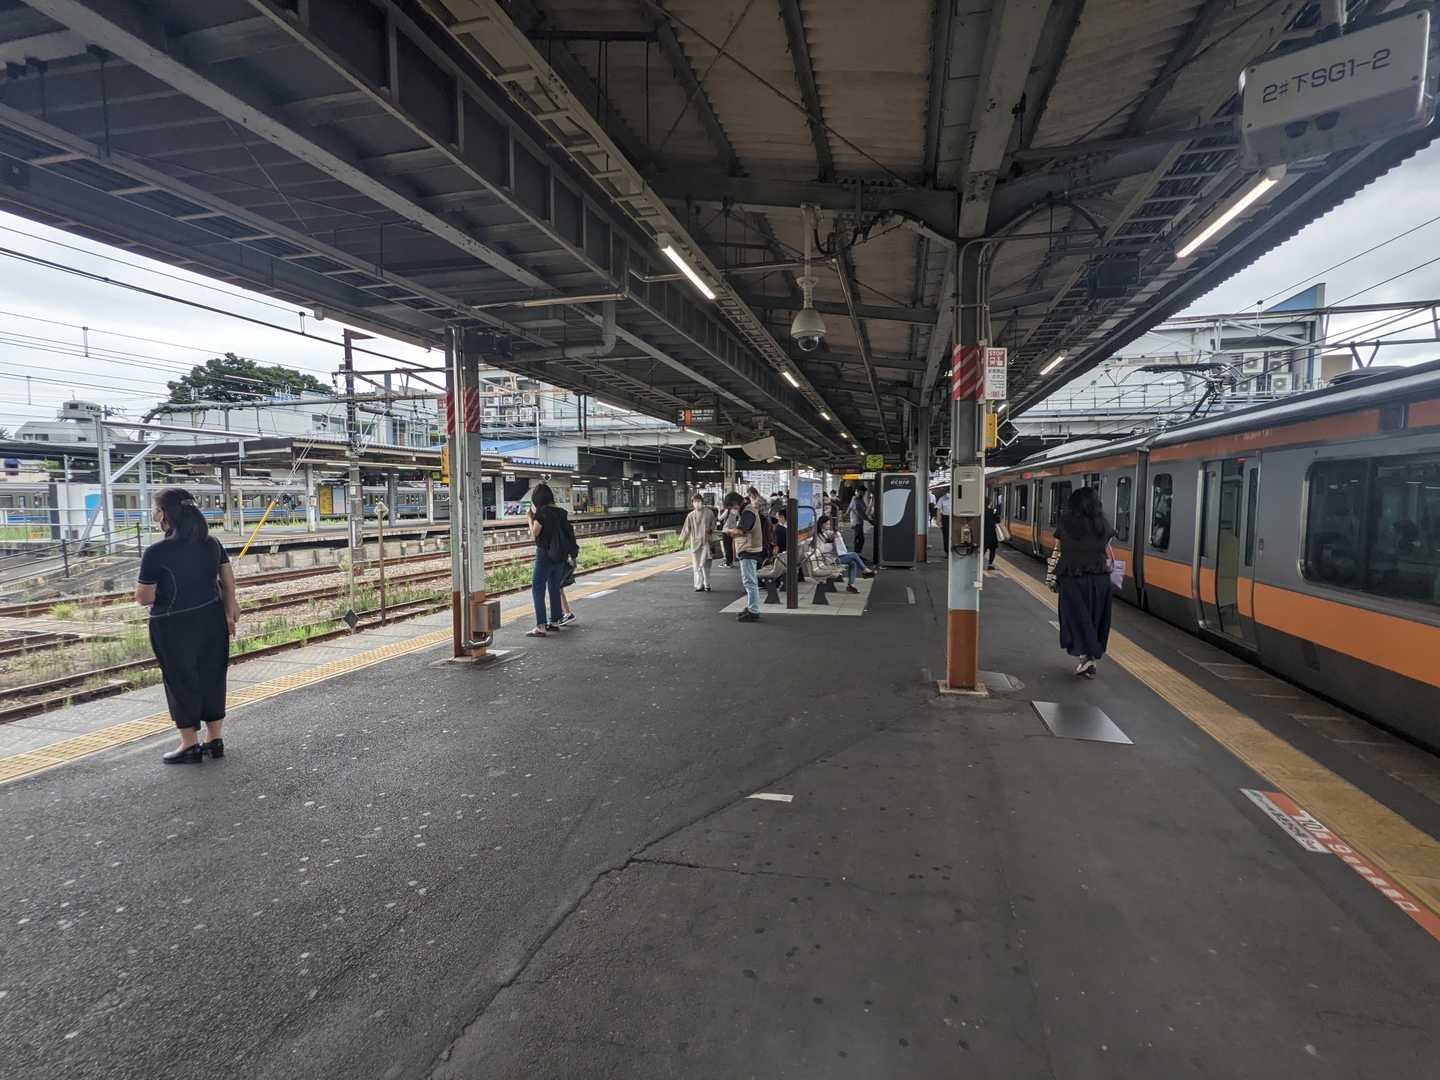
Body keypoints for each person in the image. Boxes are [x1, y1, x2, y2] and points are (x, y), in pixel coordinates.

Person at [135, 487, 240, 764]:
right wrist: (229, 614)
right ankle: (214, 739)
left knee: (181, 680)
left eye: (154, 509)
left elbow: (144, 597)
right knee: (213, 676)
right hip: (212, 619)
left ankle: (189, 744)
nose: (152, 514)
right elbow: (228, 583)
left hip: (173, 625)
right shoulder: (211, 543)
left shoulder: (156, 552)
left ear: (163, 515)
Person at [1052, 486, 1117, 678]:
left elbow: (1058, 547)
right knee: (1095, 618)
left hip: (1073, 578)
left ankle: (1088, 657)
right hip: (1100, 579)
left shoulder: (1066, 522)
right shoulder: (1102, 523)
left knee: (1076, 619)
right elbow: (1106, 546)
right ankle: (1089, 658)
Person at [526, 482, 576, 638]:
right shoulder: (561, 512)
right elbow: (569, 534)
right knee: (554, 586)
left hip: (545, 554)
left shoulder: (542, 513)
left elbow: (535, 532)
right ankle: (554, 621)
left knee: (537, 587)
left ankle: (540, 626)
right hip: (560, 554)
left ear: (537, 499)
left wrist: (529, 518)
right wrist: (572, 555)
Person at [724, 491, 765, 622]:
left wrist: (728, 531)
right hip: (749, 548)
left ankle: (753, 611)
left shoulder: (747, 512)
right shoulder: (747, 510)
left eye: (730, 507)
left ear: (735, 503)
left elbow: (741, 531)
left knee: (750, 582)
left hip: (749, 550)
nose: (731, 510)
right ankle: (752, 607)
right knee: (750, 581)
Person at [816, 514, 873, 593]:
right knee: (854, 555)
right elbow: (822, 549)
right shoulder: (818, 536)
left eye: (829, 524)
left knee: (853, 562)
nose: (828, 526)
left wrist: (834, 536)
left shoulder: (825, 533)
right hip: (829, 560)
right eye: (826, 524)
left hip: (833, 557)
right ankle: (865, 570)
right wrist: (831, 543)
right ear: (821, 524)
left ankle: (851, 585)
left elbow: (832, 534)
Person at [679, 493, 716, 592]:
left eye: (699, 501)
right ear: (692, 503)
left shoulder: (709, 513)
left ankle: (707, 583)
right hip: (695, 543)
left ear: (702, 502)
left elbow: (714, 525)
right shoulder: (691, 515)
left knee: (706, 564)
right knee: (696, 565)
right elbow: (686, 529)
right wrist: (683, 541)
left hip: (706, 542)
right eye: (695, 502)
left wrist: (711, 530)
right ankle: (699, 585)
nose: (697, 503)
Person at [848, 483, 871, 556]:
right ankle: (856, 555)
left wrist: (846, 513)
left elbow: (850, 508)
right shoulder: (856, 500)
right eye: (862, 492)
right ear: (857, 491)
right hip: (856, 522)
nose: (863, 494)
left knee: (859, 538)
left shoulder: (859, 499)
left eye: (864, 492)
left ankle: (857, 554)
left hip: (859, 522)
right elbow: (859, 513)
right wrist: (869, 520)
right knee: (859, 539)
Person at [983, 497, 1000, 570]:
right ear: (989, 503)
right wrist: (995, 513)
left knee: (983, 550)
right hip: (992, 534)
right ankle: (990, 564)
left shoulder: (981, 511)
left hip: (983, 534)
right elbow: (998, 520)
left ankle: (979, 563)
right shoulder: (992, 511)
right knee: (992, 550)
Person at [936, 487, 952, 551]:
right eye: (948, 491)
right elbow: (938, 510)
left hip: (955, 518)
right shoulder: (942, 498)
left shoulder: (957, 498)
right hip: (945, 518)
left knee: (954, 534)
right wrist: (938, 521)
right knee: (946, 534)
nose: (948, 493)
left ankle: (953, 549)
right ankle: (947, 550)